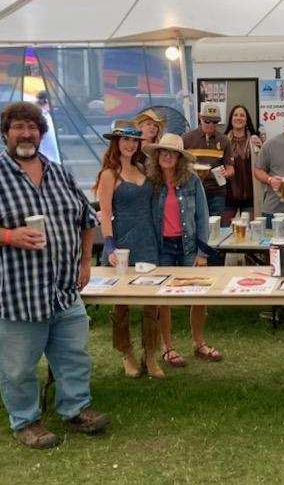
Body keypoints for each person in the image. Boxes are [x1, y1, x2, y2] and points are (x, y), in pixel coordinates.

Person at [0, 101, 108, 449]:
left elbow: (87, 220)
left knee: (74, 358)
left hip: (63, 291)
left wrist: (85, 263)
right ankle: (27, 421)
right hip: (14, 296)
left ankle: (75, 409)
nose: (26, 134)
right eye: (18, 127)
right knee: (18, 368)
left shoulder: (59, 173)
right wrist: (9, 235)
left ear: (41, 132)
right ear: (5, 133)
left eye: (32, 127)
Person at [144, 133, 222, 366]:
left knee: (198, 295)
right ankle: (168, 347)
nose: (168, 156)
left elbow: (202, 216)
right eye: (164, 152)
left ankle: (199, 343)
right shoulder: (150, 183)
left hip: (189, 246)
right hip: (162, 247)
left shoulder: (192, 180)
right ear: (157, 156)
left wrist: (202, 253)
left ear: (180, 158)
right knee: (163, 299)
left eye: (173, 153)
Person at [94, 123, 162, 379]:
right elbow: (105, 214)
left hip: (148, 240)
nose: (130, 145)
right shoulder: (109, 175)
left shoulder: (143, 168)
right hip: (122, 242)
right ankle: (126, 353)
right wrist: (109, 244)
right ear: (116, 142)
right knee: (121, 303)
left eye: (134, 141)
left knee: (150, 301)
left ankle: (151, 354)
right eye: (124, 140)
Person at [182, 102, 235, 220]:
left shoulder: (224, 140)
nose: (211, 125)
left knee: (215, 227)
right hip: (192, 190)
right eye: (207, 121)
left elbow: (230, 168)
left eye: (215, 122)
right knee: (193, 224)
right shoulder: (186, 138)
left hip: (216, 191)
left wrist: (226, 173)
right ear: (200, 119)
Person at [223, 105, 262, 223]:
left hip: (250, 195)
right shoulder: (223, 140)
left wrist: (261, 146)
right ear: (231, 119)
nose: (238, 118)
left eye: (242, 115)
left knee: (250, 231)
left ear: (247, 120)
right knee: (224, 229)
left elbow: (263, 164)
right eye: (235, 115)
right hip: (228, 194)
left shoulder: (255, 140)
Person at [35, 90, 60, 163]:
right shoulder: (39, 117)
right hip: (45, 160)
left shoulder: (47, 115)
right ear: (46, 101)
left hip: (52, 160)